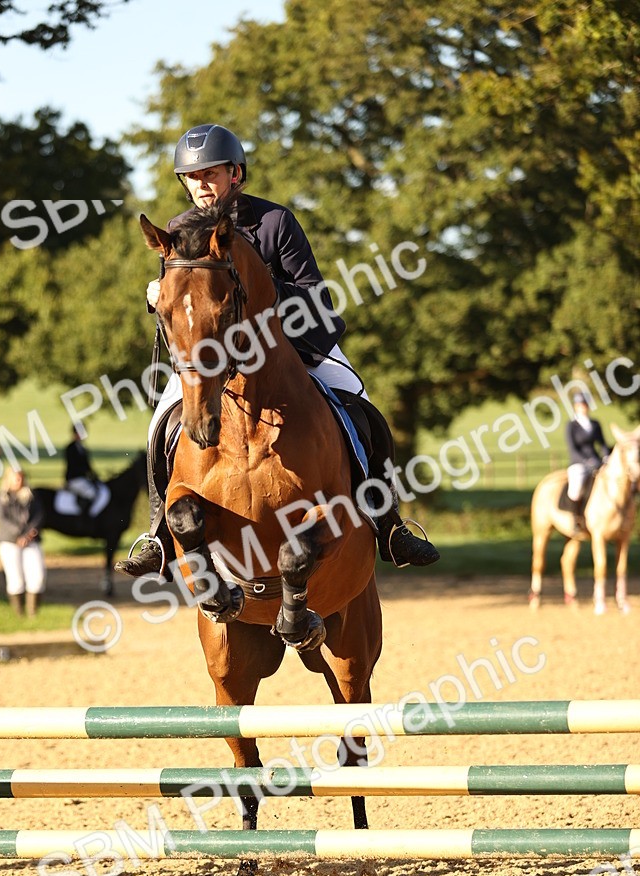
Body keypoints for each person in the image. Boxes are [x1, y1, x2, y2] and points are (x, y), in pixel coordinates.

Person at [116, 122, 439, 578]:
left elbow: (315, 297)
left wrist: (258, 287)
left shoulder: (274, 222)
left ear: (236, 173)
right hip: (213, 358)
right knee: (161, 425)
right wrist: (155, 294)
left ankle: (388, 525)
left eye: (211, 173)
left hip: (295, 348)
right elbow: (183, 301)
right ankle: (157, 535)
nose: (201, 183)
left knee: (364, 410)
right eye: (192, 176)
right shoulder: (179, 229)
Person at [0, 465, 46, 615]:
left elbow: (39, 515)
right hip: (9, 542)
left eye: (21, 477)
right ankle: (18, 612)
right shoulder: (2, 498)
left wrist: (28, 534)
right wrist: (18, 533)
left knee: (37, 576)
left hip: (31, 541)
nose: (19, 480)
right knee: (15, 578)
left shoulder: (31, 496)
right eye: (16, 477)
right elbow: (1, 519)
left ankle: (33, 612)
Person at [565, 390, 610, 533]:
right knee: (576, 487)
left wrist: (607, 457)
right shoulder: (571, 425)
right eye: (580, 405)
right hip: (579, 462)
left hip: (596, 461)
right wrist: (586, 461)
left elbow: (602, 444)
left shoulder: (595, 424)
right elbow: (573, 448)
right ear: (575, 407)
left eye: (585, 405)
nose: (583, 407)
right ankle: (576, 519)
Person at [63, 426, 99, 512]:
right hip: (75, 479)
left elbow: (87, 466)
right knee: (91, 494)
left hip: (83, 479)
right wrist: (86, 473)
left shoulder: (83, 448)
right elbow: (74, 466)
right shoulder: (70, 448)